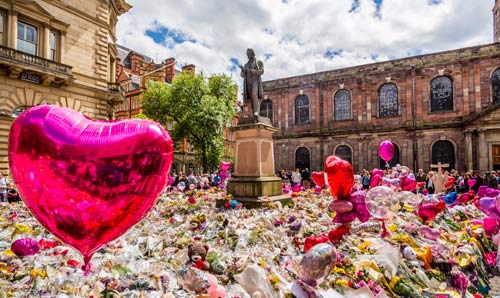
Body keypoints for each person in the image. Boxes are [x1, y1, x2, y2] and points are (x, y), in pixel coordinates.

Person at [240, 48, 264, 117]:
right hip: (248, 83)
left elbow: (262, 71)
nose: (247, 55)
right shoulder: (246, 65)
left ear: (252, 53)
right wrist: (242, 70)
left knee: (254, 95)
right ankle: (254, 112)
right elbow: (242, 75)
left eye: (248, 54)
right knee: (251, 98)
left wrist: (253, 71)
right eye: (247, 54)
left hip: (255, 81)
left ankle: (257, 111)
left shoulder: (259, 62)